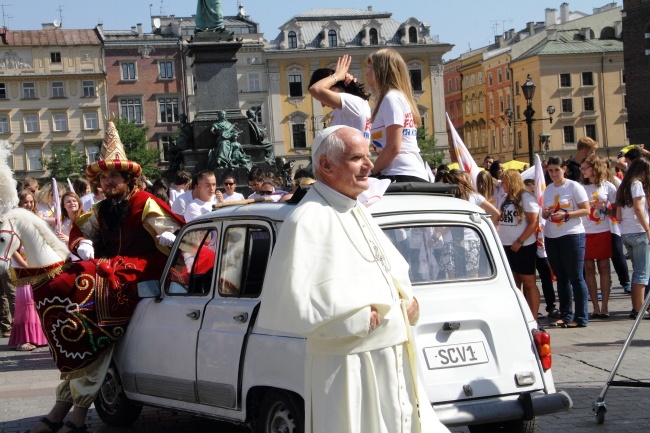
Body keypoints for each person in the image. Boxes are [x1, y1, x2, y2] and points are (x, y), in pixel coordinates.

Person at [257, 125, 450, 433]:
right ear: (326, 165)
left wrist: (407, 300)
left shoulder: (355, 208)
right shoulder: (307, 219)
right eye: (357, 158)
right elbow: (294, 302)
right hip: (349, 364)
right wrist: (354, 318)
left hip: (391, 354)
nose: (370, 165)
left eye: (368, 156)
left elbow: (385, 268)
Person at [26, 120, 184, 433]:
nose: (108, 183)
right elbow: (78, 230)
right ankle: (66, 355)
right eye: (104, 178)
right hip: (111, 267)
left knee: (92, 277)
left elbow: (168, 230)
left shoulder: (145, 202)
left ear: (128, 179)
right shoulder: (101, 209)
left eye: (114, 177)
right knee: (56, 279)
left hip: (142, 268)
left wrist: (168, 236)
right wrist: (81, 242)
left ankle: (70, 411)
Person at [366, 48, 430, 182]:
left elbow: (393, 147)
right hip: (402, 171)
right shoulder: (393, 97)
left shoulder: (391, 98)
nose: (366, 73)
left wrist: (371, 173)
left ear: (381, 70)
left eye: (370, 67)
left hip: (401, 173)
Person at [542, 156, 590, 328]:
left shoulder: (573, 186)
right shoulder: (548, 189)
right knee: (561, 278)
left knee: (576, 277)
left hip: (572, 234)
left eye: (557, 169)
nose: (554, 173)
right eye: (550, 170)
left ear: (564, 169)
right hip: (552, 236)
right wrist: (546, 213)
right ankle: (566, 314)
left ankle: (581, 317)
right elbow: (543, 214)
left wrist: (567, 214)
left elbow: (586, 210)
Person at [8, 189, 48, 352]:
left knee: (37, 301)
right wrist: (26, 267)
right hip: (23, 267)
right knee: (25, 303)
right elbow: (13, 248)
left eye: (32, 202)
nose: (30, 205)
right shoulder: (14, 222)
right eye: (26, 202)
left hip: (37, 265)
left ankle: (38, 337)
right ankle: (23, 338)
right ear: (19, 204)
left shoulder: (36, 218)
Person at [498, 170, 540, 319]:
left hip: (523, 246)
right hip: (506, 245)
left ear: (511, 182)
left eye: (503, 182)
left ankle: (533, 317)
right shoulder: (506, 198)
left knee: (528, 282)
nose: (501, 185)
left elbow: (534, 222)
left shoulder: (526, 197)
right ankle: (520, 315)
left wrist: (520, 241)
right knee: (514, 282)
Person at [580, 155, 616, 319]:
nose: (582, 171)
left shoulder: (608, 186)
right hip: (585, 231)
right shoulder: (580, 187)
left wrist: (605, 209)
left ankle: (605, 306)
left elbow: (617, 212)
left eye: (585, 168)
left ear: (595, 168)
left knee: (604, 268)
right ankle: (594, 306)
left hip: (603, 230)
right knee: (588, 269)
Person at [615, 157, 650, 319]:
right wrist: (647, 228)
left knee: (637, 271)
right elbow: (638, 208)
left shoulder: (624, 185)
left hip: (626, 232)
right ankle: (639, 309)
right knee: (641, 273)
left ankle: (636, 307)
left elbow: (618, 213)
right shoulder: (636, 185)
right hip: (639, 231)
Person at [308, 54, 371, 138]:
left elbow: (316, 89)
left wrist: (338, 75)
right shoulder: (346, 108)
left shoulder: (354, 103)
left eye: (321, 98)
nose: (323, 105)